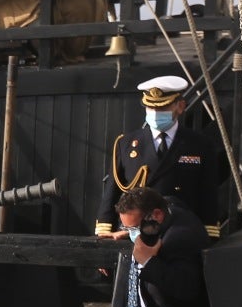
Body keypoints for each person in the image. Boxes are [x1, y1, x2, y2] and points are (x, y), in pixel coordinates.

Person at [95, 74, 222, 236]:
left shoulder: (199, 145)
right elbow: (113, 189)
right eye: (151, 108)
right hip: (134, 232)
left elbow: (208, 192)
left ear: (180, 106)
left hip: (179, 232)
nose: (155, 113)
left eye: (162, 108)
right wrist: (105, 227)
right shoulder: (126, 143)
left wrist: (209, 230)